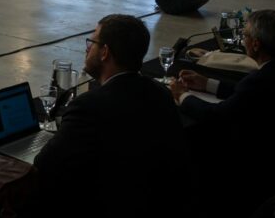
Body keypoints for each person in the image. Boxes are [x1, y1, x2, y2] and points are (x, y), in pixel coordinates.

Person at [34, 14, 191, 218]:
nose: (87, 49)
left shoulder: (88, 106)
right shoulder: (160, 93)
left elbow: (45, 164)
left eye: (92, 42)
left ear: (105, 52)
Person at [173, 10, 275, 215]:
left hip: (259, 167)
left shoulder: (260, 80)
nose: (243, 39)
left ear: (256, 44)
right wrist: (207, 83)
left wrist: (182, 96)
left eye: (245, 35)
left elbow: (216, 116)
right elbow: (247, 95)